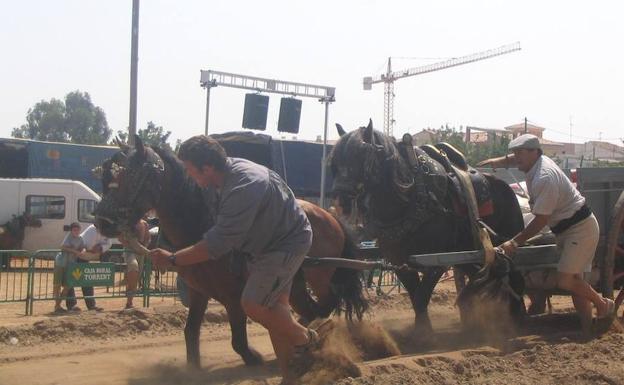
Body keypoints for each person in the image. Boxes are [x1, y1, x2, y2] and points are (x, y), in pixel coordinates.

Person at [148, 135, 314, 384]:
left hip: (283, 244)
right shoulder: (222, 178)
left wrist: (173, 259)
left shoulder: (243, 186)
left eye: (191, 170)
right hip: (264, 245)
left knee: (252, 303)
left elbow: (218, 242)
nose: (189, 176)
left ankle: (306, 339)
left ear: (207, 168)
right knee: (275, 310)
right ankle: (291, 377)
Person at [478, 134, 614, 334]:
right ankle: (587, 329)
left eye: (520, 153)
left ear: (534, 152)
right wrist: (498, 161)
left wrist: (513, 243)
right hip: (566, 229)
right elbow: (515, 159)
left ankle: (603, 304)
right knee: (577, 283)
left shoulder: (545, 177)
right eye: (514, 153)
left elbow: (540, 221)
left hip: (580, 229)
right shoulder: (535, 162)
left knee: (566, 280)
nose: (516, 158)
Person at [65, 224, 110, 312]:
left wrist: (101, 248)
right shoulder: (92, 230)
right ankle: (71, 306)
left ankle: (91, 305)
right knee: (71, 281)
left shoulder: (107, 231)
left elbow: (109, 243)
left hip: (84, 257)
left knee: (87, 281)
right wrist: (93, 249)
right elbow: (85, 246)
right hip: (74, 256)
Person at [53, 222, 86, 313]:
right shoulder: (68, 236)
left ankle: (57, 305)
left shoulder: (80, 238)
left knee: (68, 286)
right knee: (57, 285)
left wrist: (82, 251)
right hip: (61, 263)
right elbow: (62, 247)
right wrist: (75, 251)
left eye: (78, 230)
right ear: (71, 230)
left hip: (71, 264)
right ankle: (57, 306)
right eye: (74, 230)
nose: (76, 232)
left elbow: (83, 247)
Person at [120, 218, 150, 310]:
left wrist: (145, 247)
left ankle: (129, 302)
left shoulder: (144, 223)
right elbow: (120, 237)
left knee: (136, 278)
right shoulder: (128, 223)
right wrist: (127, 245)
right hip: (130, 251)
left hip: (141, 253)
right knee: (133, 268)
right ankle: (129, 298)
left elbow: (148, 238)